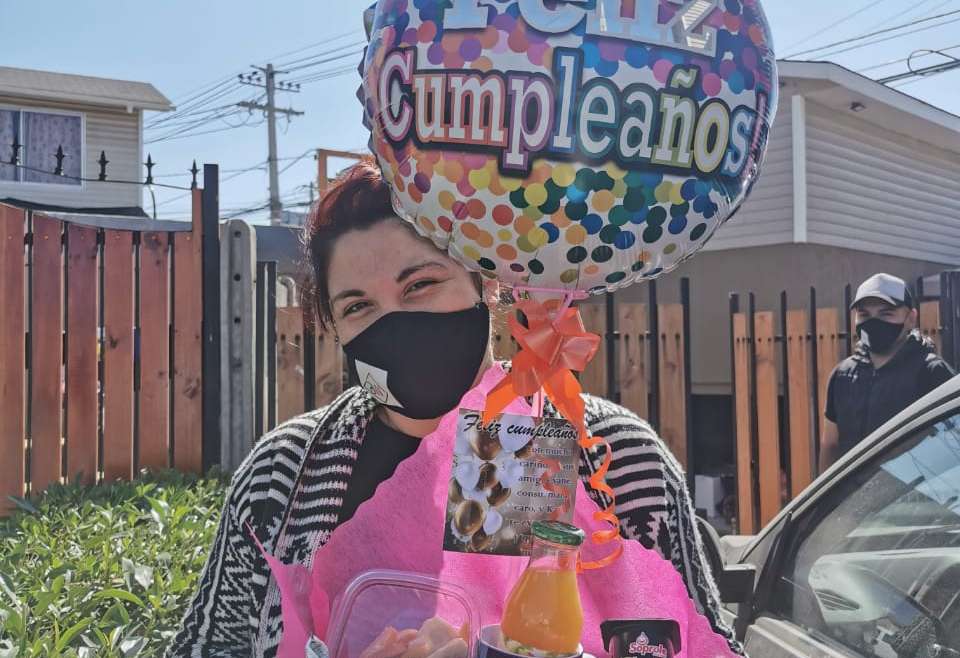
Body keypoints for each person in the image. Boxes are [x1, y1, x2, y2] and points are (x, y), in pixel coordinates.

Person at [167, 160, 741, 657]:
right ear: (334, 329)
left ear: (485, 282)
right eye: (358, 307)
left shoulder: (619, 459)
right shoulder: (284, 475)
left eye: (420, 285)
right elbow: (207, 646)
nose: (396, 323)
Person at [820, 273, 955, 472]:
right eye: (864, 314)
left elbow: (953, 443)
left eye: (886, 313)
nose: (873, 322)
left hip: (914, 491)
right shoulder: (842, 376)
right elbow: (830, 444)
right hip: (854, 492)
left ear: (911, 318)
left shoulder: (931, 372)